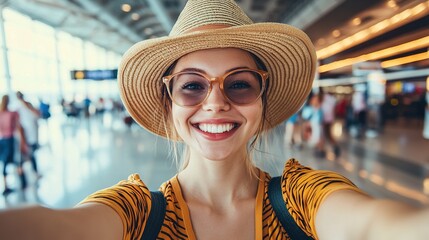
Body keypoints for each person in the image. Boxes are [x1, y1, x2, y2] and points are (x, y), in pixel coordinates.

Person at [1, 0, 429, 239]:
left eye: (239, 84)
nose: (216, 102)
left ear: (262, 100)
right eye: (192, 85)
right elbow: (52, 228)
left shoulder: (303, 200)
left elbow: (375, 226)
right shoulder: (135, 213)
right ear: (169, 103)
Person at [0, 95, 27, 195]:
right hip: (11, 140)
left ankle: (6, 186)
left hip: (2, 140)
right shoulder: (12, 113)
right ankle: (23, 183)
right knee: (17, 161)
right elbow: (19, 128)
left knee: (4, 163)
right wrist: (23, 142)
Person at [15, 91, 41, 177]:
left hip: (30, 134)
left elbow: (37, 115)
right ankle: (24, 176)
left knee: (31, 153)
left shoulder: (27, 105)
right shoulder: (17, 107)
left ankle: (33, 172)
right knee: (26, 155)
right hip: (24, 135)